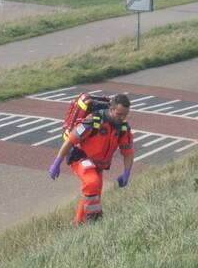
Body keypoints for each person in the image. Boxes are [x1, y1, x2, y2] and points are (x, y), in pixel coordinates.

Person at [48, 93, 135, 223]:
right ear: (111, 109)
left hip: (98, 165)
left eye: (125, 115)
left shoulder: (122, 128)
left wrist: (127, 172)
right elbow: (71, 140)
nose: (122, 118)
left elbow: (128, 152)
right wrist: (57, 162)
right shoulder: (94, 120)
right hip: (80, 157)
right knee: (92, 182)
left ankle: (78, 223)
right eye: (119, 114)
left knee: (93, 193)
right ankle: (94, 220)